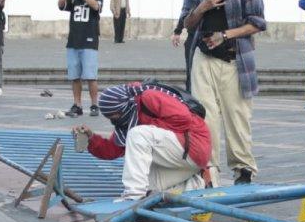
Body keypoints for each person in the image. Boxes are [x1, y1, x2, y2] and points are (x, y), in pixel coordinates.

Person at [179, 0, 266, 186]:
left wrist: (225, 35)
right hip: (203, 58)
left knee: (237, 116)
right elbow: (187, 22)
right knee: (205, 117)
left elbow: (258, 23)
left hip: (234, 59)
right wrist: (203, 6)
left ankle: (243, 169)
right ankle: (209, 170)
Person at [75, 83, 210, 200]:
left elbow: (184, 119)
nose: (114, 120)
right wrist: (91, 138)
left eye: (114, 115)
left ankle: (133, 195)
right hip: (182, 158)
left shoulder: (149, 97)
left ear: (123, 107)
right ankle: (196, 181)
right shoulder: (129, 117)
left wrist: (148, 128)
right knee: (149, 189)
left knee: (137, 134)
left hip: (194, 146)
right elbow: (113, 150)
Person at [58, 0, 103, 117]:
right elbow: (60, 5)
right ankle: (77, 104)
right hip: (73, 41)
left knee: (90, 76)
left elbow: (96, 6)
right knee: (75, 76)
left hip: (89, 40)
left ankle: (94, 105)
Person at [171, 12, 195, 91]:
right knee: (191, 73)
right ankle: (190, 98)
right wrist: (178, 31)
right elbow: (186, 11)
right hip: (193, 39)